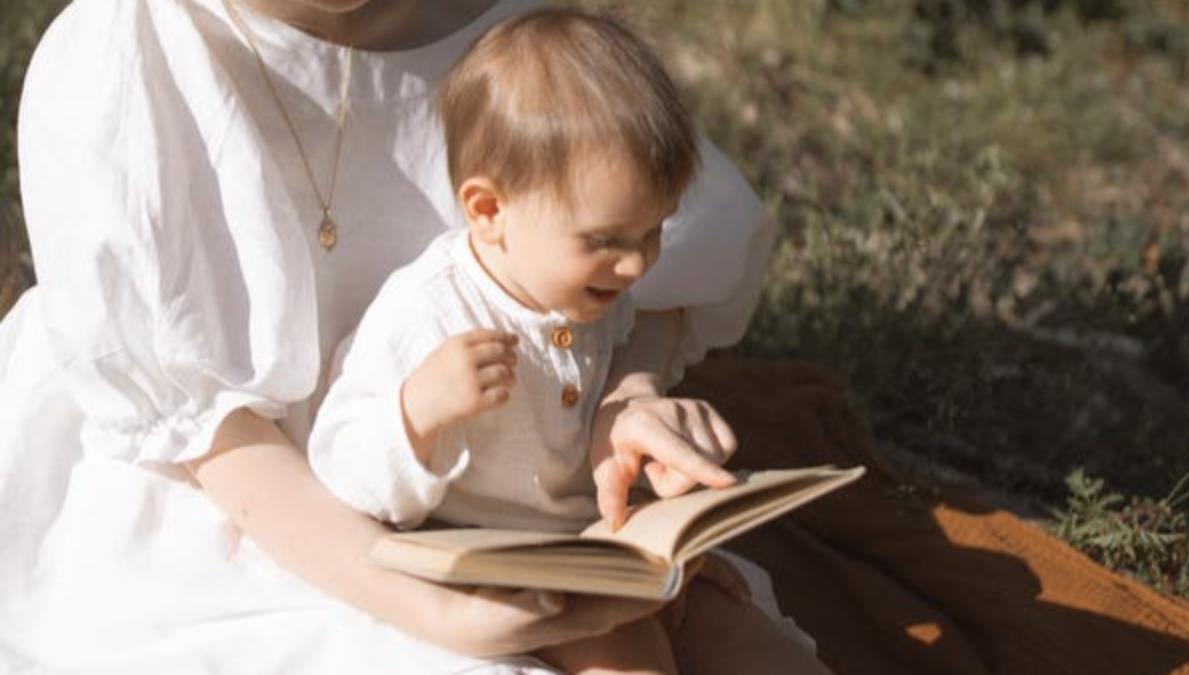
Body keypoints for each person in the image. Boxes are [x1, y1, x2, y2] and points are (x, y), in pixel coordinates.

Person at [0, 0, 828, 672]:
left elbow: (636, 286)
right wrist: (431, 609)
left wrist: (626, 399)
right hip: (244, 499)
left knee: (739, 648)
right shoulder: (127, 63)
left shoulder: (522, 44)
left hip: (523, 499)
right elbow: (209, 433)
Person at [306, 10, 824, 674]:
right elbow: (338, 464)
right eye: (607, 241)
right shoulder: (430, 310)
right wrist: (417, 411)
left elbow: (609, 396)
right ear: (489, 211)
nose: (637, 265)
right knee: (632, 662)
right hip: (497, 572)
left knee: (766, 651)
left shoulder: (592, 295)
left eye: (653, 233)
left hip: (595, 549)